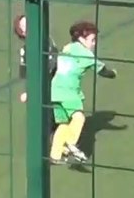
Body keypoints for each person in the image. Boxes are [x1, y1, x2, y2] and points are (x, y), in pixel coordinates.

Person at [48, 21, 116, 166]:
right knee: (79, 118)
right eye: (92, 40)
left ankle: (55, 154)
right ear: (81, 39)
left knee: (64, 124)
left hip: (54, 91)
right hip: (69, 92)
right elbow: (103, 71)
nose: (94, 44)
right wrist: (113, 74)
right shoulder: (86, 55)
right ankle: (71, 144)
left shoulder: (68, 47)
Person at [11, 14, 57, 104]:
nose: (29, 26)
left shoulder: (49, 42)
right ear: (22, 33)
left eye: (29, 22)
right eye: (24, 26)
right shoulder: (25, 51)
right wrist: (29, 91)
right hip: (43, 89)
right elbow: (26, 74)